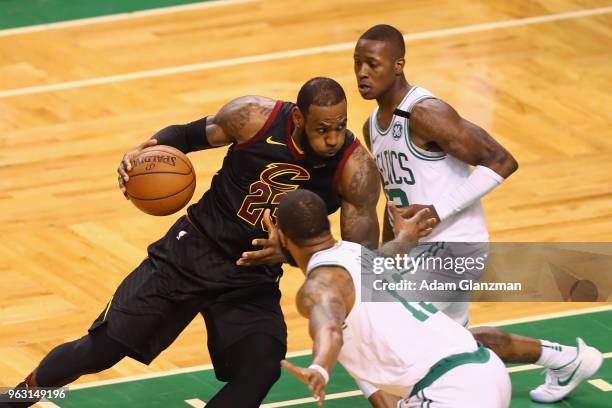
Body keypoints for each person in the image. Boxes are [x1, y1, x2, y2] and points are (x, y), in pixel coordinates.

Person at [1, 77, 382, 408]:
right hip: (187, 255)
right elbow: (185, 136)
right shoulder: (253, 117)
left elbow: (356, 262)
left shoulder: (354, 170)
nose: (333, 139)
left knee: (262, 367)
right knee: (99, 351)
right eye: (322, 129)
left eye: (340, 127)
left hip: (249, 280)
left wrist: (287, 254)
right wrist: (145, 150)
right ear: (298, 118)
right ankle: (16, 397)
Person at [352, 24, 603, 405]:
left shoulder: (425, 112)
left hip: (453, 246)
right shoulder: (373, 126)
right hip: (422, 250)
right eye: (357, 64)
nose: (362, 73)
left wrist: (438, 210)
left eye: (372, 64)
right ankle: (565, 359)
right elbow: (402, 197)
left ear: (398, 65)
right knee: (457, 344)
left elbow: (501, 161)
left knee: (391, 329)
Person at [276, 189, 511, 408]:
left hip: (450, 392)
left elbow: (330, 329)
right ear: (326, 225)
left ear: (282, 236)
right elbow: (395, 250)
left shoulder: (318, 287)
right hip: (487, 371)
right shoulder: (356, 252)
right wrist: (406, 236)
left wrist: (320, 367)